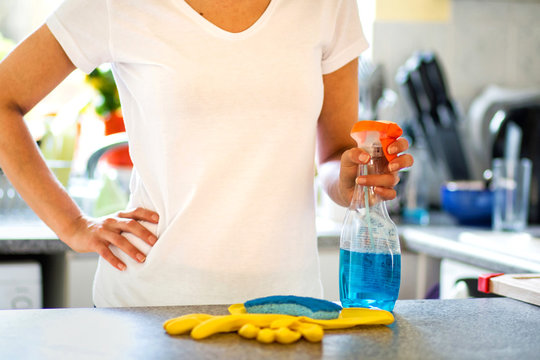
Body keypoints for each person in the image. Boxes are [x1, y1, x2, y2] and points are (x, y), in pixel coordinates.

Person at [0, 0, 413, 307]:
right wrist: (73, 225)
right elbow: (5, 98)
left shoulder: (326, 5)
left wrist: (351, 175)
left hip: (289, 310)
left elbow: (334, 156)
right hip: (152, 310)